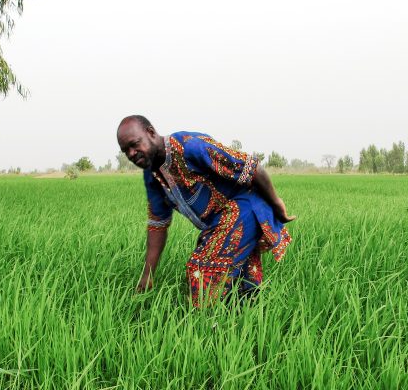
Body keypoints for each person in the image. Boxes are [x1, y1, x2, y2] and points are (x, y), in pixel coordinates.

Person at [116, 115, 295, 307]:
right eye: (126, 151)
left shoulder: (190, 146)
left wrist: (277, 205)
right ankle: (244, 324)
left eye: (135, 144)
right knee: (242, 287)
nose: (132, 154)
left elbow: (251, 167)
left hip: (243, 208)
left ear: (150, 132)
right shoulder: (152, 176)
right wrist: (147, 275)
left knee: (202, 270)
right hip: (218, 223)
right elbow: (157, 225)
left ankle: (206, 324)